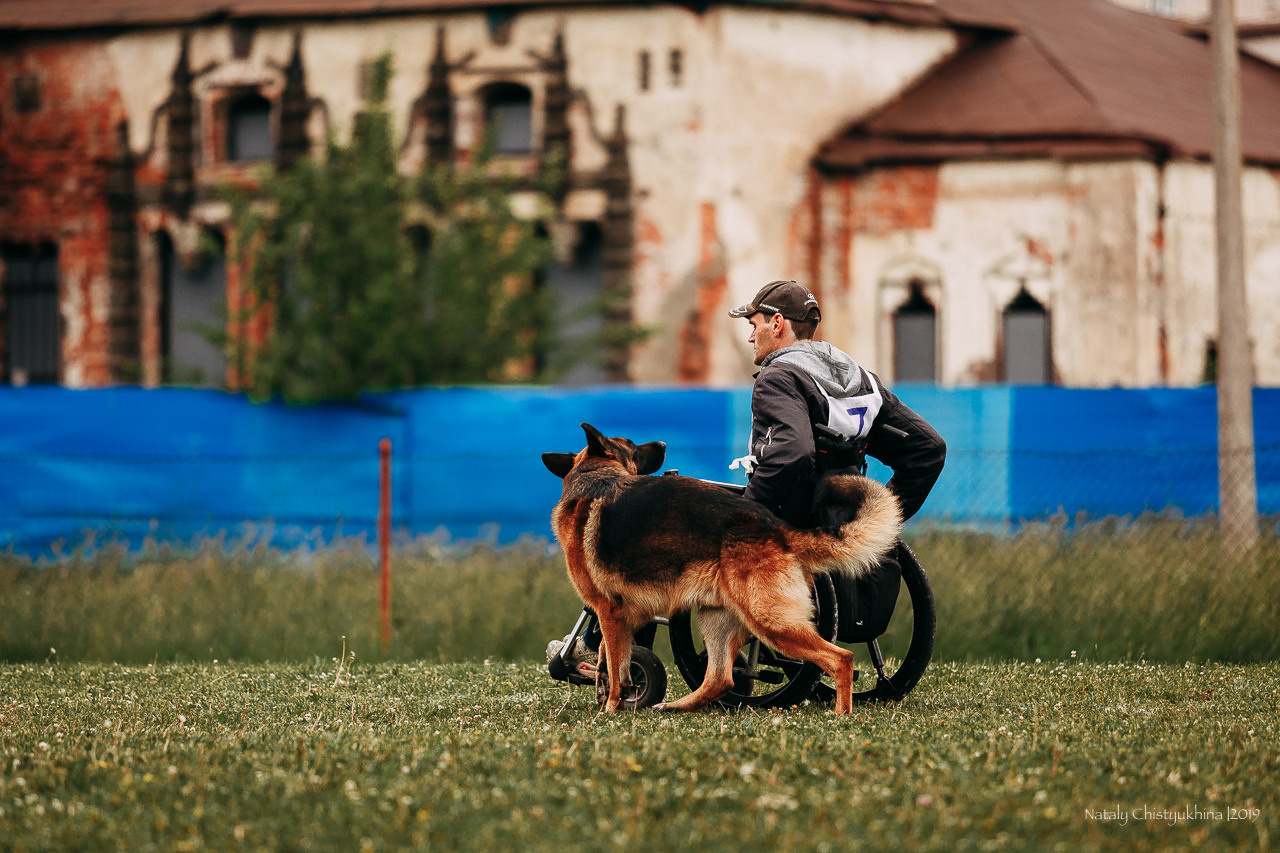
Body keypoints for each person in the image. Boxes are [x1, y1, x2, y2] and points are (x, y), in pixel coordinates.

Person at [728, 279, 945, 644]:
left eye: (754, 325)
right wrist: (874, 525)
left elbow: (792, 454)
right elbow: (928, 449)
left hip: (796, 517)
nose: (751, 337)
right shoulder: (856, 375)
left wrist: (748, 519)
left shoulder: (778, 377)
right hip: (843, 502)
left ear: (777, 324)